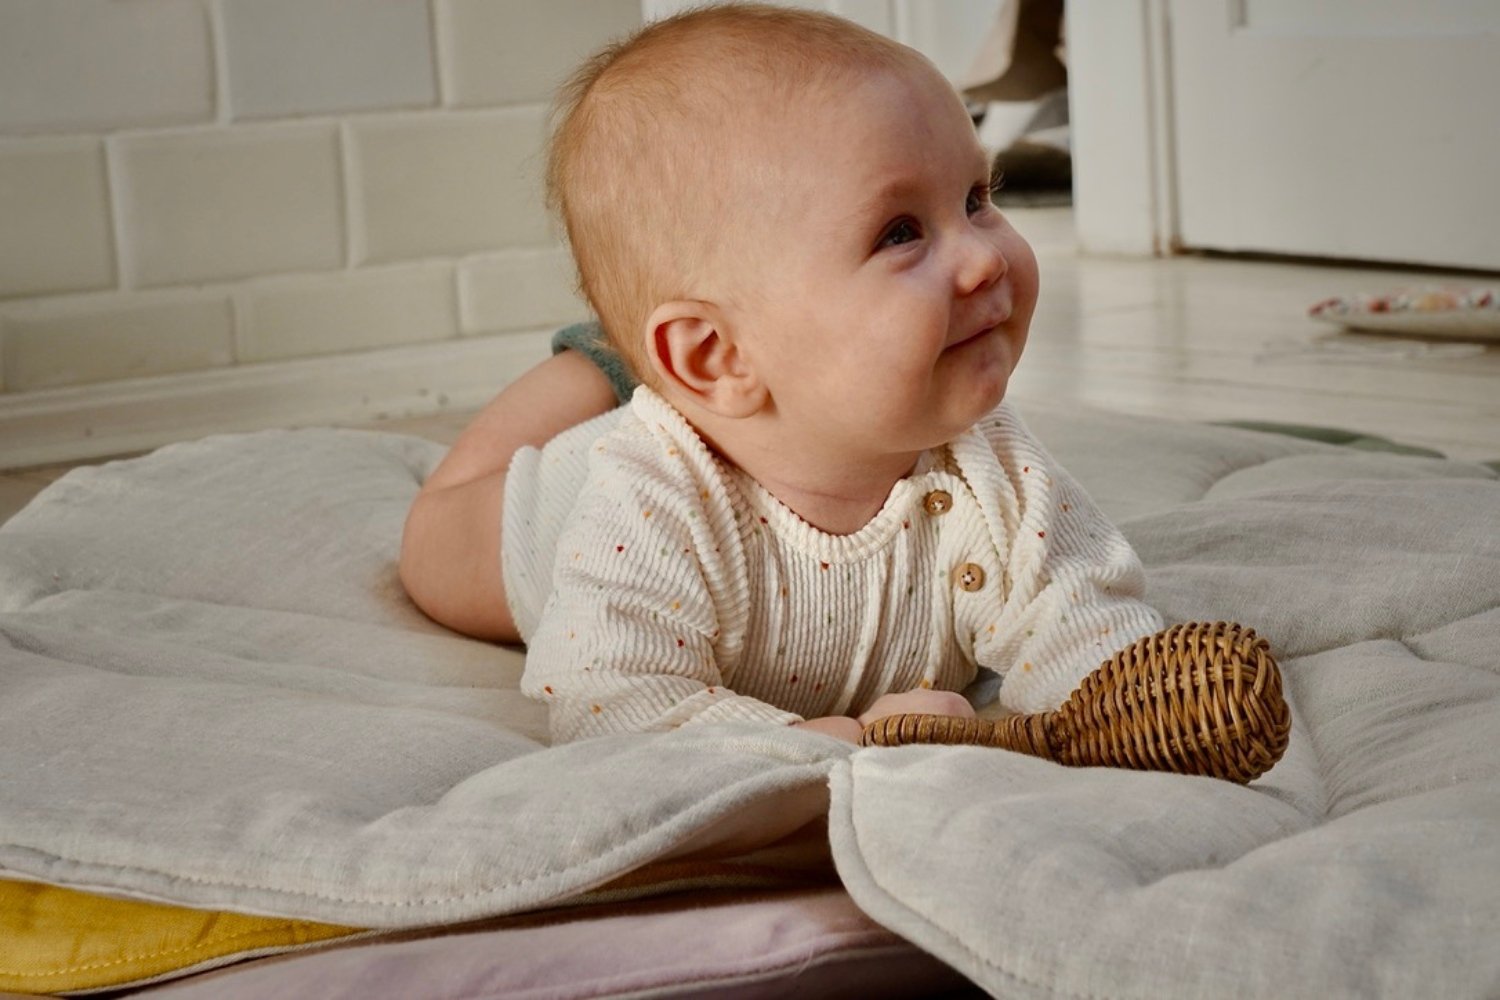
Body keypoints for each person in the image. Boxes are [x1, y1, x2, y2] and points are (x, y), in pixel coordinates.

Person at [399, 3, 1163, 744]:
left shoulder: (996, 470)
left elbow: (1081, 612)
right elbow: (612, 707)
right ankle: (604, 362)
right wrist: (826, 740)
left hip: (710, 376)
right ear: (716, 355)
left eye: (975, 198)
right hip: (545, 511)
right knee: (433, 546)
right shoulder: (645, 505)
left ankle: (629, 357)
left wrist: (1130, 700)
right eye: (901, 232)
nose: (986, 256)